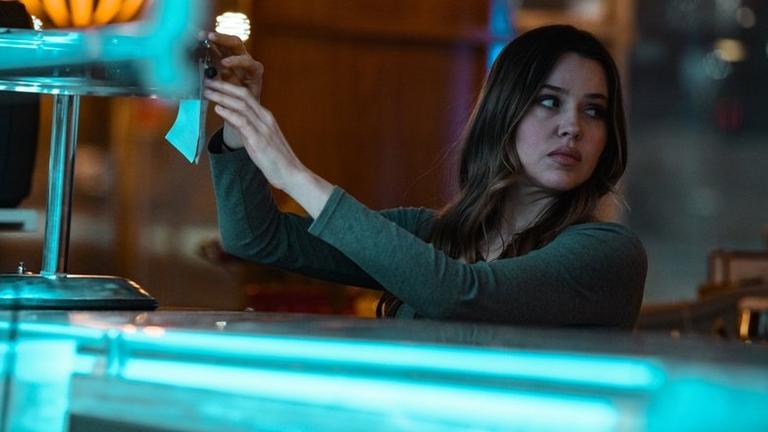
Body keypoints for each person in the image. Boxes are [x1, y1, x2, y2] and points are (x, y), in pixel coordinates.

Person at [204, 25, 647, 327]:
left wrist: (293, 175)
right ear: (504, 111)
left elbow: (459, 294)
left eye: (594, 111)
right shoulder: (432, 234)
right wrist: (240, 122)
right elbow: (256, 238)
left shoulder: (608, 253)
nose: (573, 126)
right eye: (550, 101)